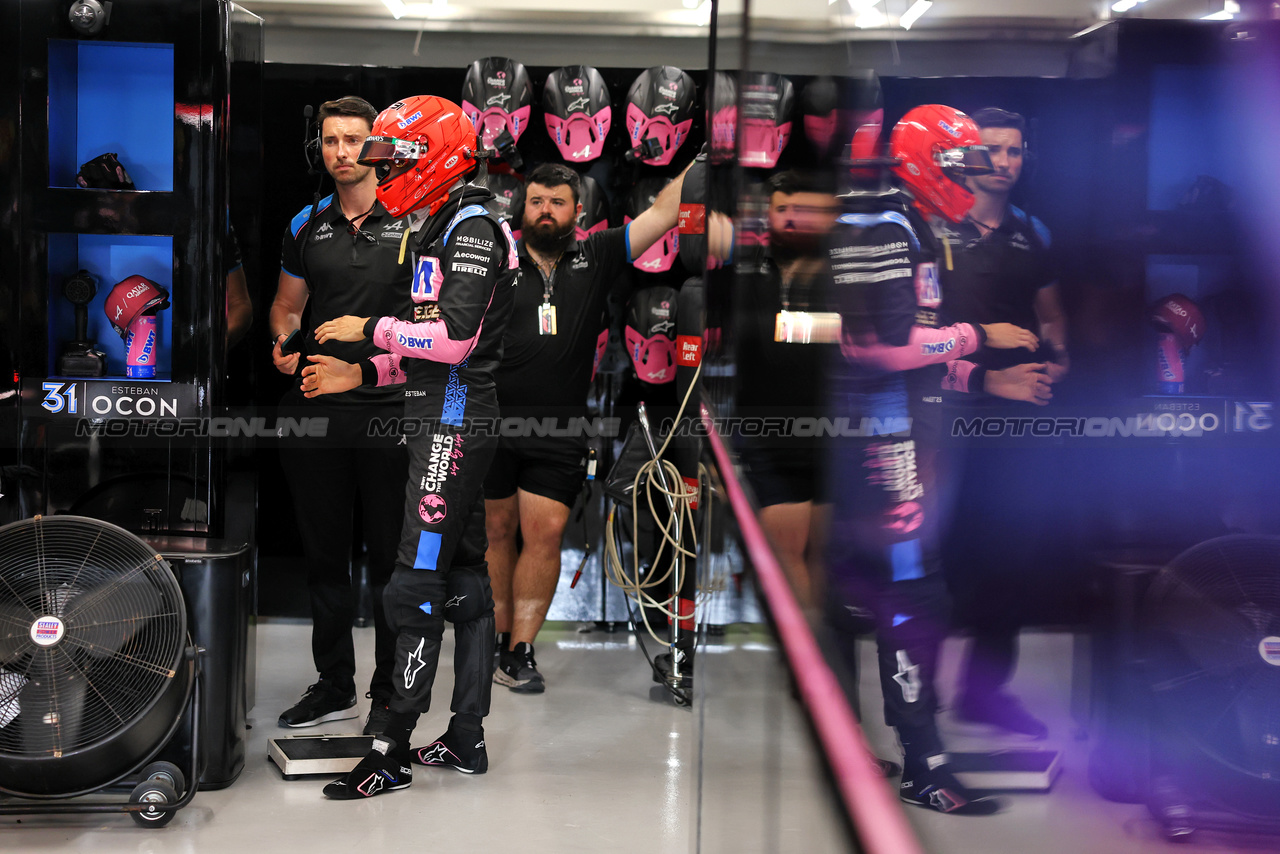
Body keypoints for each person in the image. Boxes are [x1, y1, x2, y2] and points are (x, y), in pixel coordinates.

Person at [820, 104, 1051, 816]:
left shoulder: (916, 228)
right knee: (913, 596)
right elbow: (875, 348)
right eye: (964, 162)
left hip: (904, 433)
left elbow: (917, 355)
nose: (977, 174)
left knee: (912, 593)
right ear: (929, 163)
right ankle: (924, 763)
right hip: (880, 440)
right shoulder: (883, 228)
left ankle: (903, 749)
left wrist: (972, 368)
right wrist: (975, 334)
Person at [298, 95, 519, 798]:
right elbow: (421, 349)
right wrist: (367, 366)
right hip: (437, 415)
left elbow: (453, 341)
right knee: (464, 575)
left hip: (453, 421)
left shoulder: (475, 226)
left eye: (394, 157)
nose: (382, 169)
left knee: (412, 581)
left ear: (436, 157)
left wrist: (373, 327)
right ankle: (465, 737)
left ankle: (389, 747)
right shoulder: (435, 228)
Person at [485, 161, 695, 694]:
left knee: (546, 533)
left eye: (557, 202)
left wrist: (706, 154)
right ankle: (493, 639)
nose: (546, 211)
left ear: (577, 211)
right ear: (521, 208)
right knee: (495, 533)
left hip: (560, 429)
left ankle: (520, 652)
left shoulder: (596, 254)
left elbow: (666, 212)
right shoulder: (497, 256)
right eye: (536, 201)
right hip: (490, 421)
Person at [269, 95, 410, 735]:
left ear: (377, 147)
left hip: (390, 411)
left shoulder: (414, 219)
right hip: (315, 410)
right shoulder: (307, 221)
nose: (342, 152)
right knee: (326, 557)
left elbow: (435, 331)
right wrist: (283, 342)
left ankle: (387, 690)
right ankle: (334, 684)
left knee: (388, 560)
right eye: (331, 141)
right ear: (319, 148)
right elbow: (285, 306)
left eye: (354, 140)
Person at [939, 107, 1065, 739]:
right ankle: (914, 697)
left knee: (1008, 560)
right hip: (944, 417)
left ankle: (982, 695)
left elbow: (1053, 317)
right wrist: (984, 377)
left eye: (1016, 151)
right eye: (993, 150)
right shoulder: (931, 228)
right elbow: (911, 343)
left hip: (1016, 424)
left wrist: (1059, 361)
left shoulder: (1031, 232)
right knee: (937, 558)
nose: (1006, 162)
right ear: (967, 156)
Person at [735, 170, 841, 611]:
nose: (793, 219)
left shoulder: (841, 268)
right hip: (768, 435)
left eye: (804, 210)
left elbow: (857, 335)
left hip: (834, 430)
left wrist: (793, 329)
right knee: (785, 554)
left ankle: (819, 655)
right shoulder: (747, 271)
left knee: (826, 556)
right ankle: (807, 658)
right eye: (783, 210)